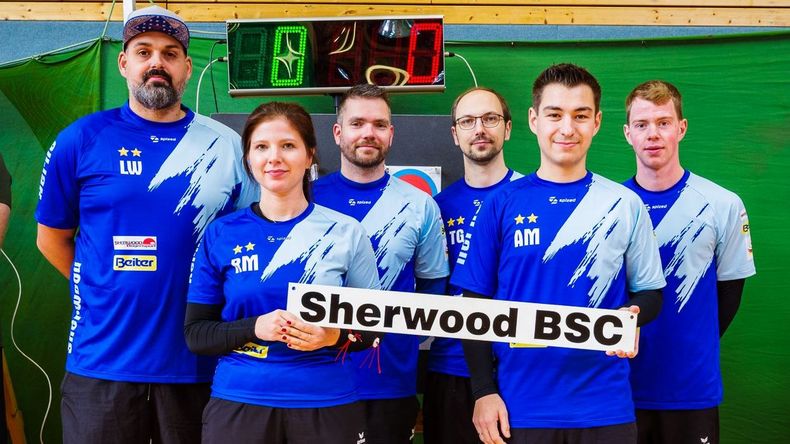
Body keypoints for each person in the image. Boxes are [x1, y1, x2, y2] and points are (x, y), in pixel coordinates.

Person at [34, 6, 256, 443]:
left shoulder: (227, 145)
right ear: (124, 63)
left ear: (187, 68)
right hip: (102, 363)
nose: (157, 62)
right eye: (144, 51)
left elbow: (245, 241)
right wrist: (103, 286)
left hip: (197, 363)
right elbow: (51, 239)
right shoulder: (81, 139)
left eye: (171, 53)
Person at [451, 63, 666, 444]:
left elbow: (650, 294)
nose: (567, 129)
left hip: (606, 409)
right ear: (534, 120)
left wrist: (632, 316)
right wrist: (483, 391)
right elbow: (473, 305)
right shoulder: (501, 204)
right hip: (521, 410)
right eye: (554, 115)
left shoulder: (624, 204)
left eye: (580, 116)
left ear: (597, 122)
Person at [184, 101, 381, 443]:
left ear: (309, 156)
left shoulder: (347, 233)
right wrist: (255, 327)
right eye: (261, 147)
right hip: (240, 405)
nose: (273, 157)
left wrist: (331, 336)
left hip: (328, 405)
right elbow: (197, 334)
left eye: (288, 145)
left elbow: (374, 330)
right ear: (249, 159)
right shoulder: (221, 233)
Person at [312, 83, 449, 443]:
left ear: (391, 133)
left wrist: (402, 336)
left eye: (379, 124)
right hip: (316, 378)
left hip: (389, 381)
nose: (368, 133)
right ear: (338, 133)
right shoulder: (307, 199)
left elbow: (433, 284)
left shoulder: (420, 206)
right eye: (357, 123)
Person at [622, 80, 756, 444]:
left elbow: (729, 295)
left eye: (663, 122)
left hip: (691, 388)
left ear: (681, 128)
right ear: (627, 133)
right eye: (642, 124)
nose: (653, 134)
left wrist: (692, 345)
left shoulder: (723, 204)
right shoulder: (611, 207)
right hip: (617, 389)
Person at [423, 87, 523, 444]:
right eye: (467, 121)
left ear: (508, 128)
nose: (479, 129)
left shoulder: (530, 198)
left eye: (490, 119)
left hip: (518, 369)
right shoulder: (434, 208)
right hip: (450, 370)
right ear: (454, 134)